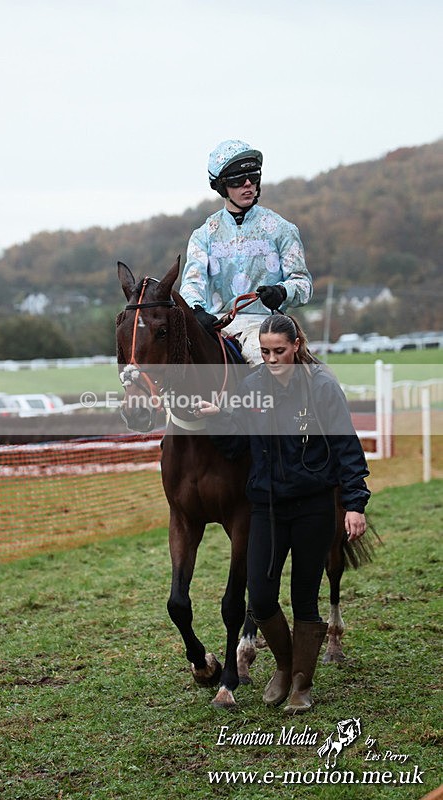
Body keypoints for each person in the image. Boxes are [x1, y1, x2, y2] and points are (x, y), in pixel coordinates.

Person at [193, 313, 370, 713]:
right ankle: (287, 665)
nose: (272, 360)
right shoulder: (253, 387)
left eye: (279, 351)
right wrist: (216, 418)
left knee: (304, 598)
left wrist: (355, 503)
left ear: (295, 346)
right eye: (266, 352)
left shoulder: (321, 385)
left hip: (313, 507)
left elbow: (346, 446)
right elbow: (238, 443)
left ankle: (301, 688)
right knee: (261, 595)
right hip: (267, 508)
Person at [180, 139, 313, 364]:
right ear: (222, 186)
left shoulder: (282, 229)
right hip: (216, 326)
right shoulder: (203, 235)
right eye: (239, 180)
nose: (248, 184)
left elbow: (303, 284)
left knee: (261, 359)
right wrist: (196, 310)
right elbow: (191, 284)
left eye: (254, 177)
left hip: (263, 326)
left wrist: (282, 291)